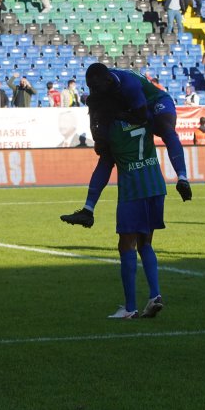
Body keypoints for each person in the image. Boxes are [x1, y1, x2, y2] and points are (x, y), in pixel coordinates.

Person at [60, 64, 191, 229]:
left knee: (166, 129)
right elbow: (94, 111)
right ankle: (88, 210)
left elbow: (142, 116)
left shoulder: (129, 84)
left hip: (155, 101)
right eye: (90, 87)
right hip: (131, 107)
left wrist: (117, 114)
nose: (94, 90)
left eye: (96, 87)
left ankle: (182, 178)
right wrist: (98, 137)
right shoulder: (99, 85)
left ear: (107, 80)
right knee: (106, 156)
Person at [80, 95, 165, 319]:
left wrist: (89, 205)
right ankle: (155, 295)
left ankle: (130, 308)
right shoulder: (144, 118)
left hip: (133, 190)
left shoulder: (112, 130)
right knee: (146, 242)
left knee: (126, 245)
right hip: (155, 185)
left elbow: (104, 164)